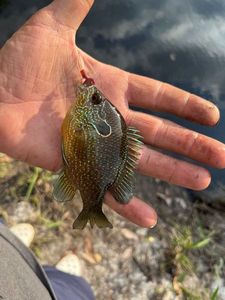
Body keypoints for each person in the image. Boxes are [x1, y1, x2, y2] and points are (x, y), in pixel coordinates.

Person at [0, 0, 225, 299]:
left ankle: (11, 242)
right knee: (76, 290)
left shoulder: (82, 122)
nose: (92, 97)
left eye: (95, 103)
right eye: (97, 102)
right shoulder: (82, 121)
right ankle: (28, 254)